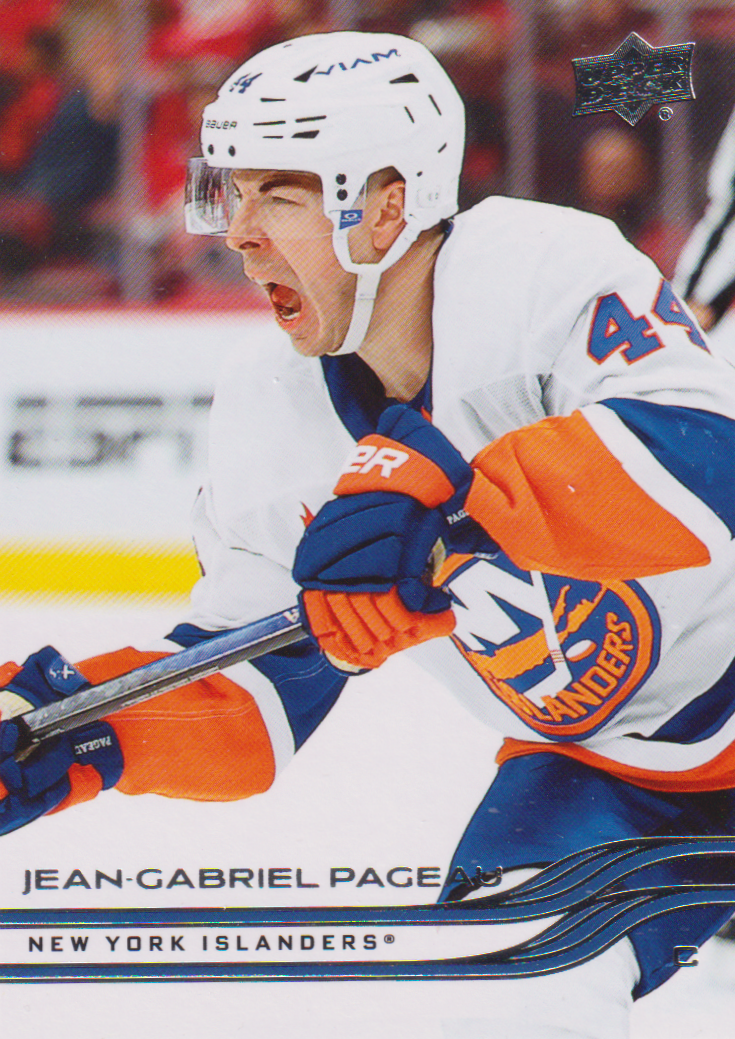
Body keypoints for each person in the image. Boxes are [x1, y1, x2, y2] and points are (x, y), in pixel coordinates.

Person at [2, 30, 735, 1038]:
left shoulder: (539, 270)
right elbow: (252, 695)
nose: (239, 234)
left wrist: (454, 509)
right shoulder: (268, 412)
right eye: (231, 194)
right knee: (504, 1004)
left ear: (387, 205)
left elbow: (710, 466)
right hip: (611, 777)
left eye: (279, 196)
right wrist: (75, 731)